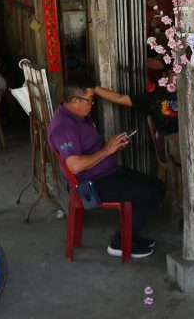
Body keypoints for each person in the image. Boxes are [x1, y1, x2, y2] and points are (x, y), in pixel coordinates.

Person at [47, 80, 166, 258]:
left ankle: (130, 234)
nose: (92, 104)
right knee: (152, 194)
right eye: (88, 100)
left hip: (107, 173)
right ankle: (119, 242)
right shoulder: (64, 126)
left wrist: (113, 146)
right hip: (92, 184)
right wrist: (107, 150)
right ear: (74, 101)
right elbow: (76, 166)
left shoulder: (78, 116)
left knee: (158, 186)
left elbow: (91, 150)